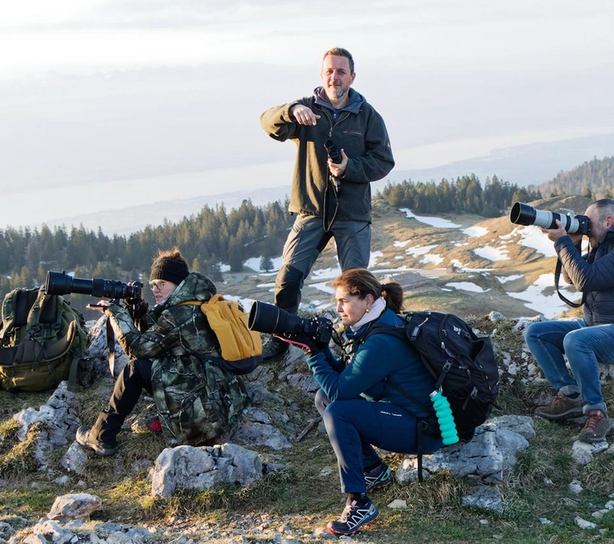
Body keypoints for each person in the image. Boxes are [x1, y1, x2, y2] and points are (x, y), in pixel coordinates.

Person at [280, 268, 440, 536]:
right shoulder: (373, 326)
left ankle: (359, 502)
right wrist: (320, 349)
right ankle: (374, 470)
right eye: (337, 301)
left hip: (424, 429)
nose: (338, 307)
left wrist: (312, 353)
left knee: (338, 410)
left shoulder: (380, 341)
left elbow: (341, 392)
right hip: (408, 416)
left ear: (367, 300)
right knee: (325, 397)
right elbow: (343, 381)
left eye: (344, 300)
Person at [259, 47, 395, 361]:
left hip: (352, 213)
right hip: (311, 209)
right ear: (323, 75)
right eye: (329, 71)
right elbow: (267, 123)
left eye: (341, 71)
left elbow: (384, 161)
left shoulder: (367, 115)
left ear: (352, 76)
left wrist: (350, 168)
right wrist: (290, 110)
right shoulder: (305, 109)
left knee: (358, 285)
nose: (335, 76)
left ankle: (361, 344)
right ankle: (281, 340)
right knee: (289, 277)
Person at [75, 248, 249, 456]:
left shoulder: (179, 315)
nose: (156, 290)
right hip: (223, 398)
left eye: (162, 284)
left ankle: (102, 435)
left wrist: (116, 313)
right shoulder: (198, 301)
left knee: (135, 369)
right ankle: (168, 417)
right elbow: (159, 337)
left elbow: (138, 349)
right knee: (147, 366)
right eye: (153, 285)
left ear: (178, 283)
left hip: (204, 413)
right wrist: (138, 312)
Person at [524, 198, 614, 443]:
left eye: (589, 222)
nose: (585, 226)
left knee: (577, 341)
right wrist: (573, 245)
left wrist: (563, 241)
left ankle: (596, 412)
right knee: (536, 333)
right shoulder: (605, 244)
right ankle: (570, 395)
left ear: (608, 221)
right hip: (599, 325)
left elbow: (584, 281)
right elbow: (571, 277)